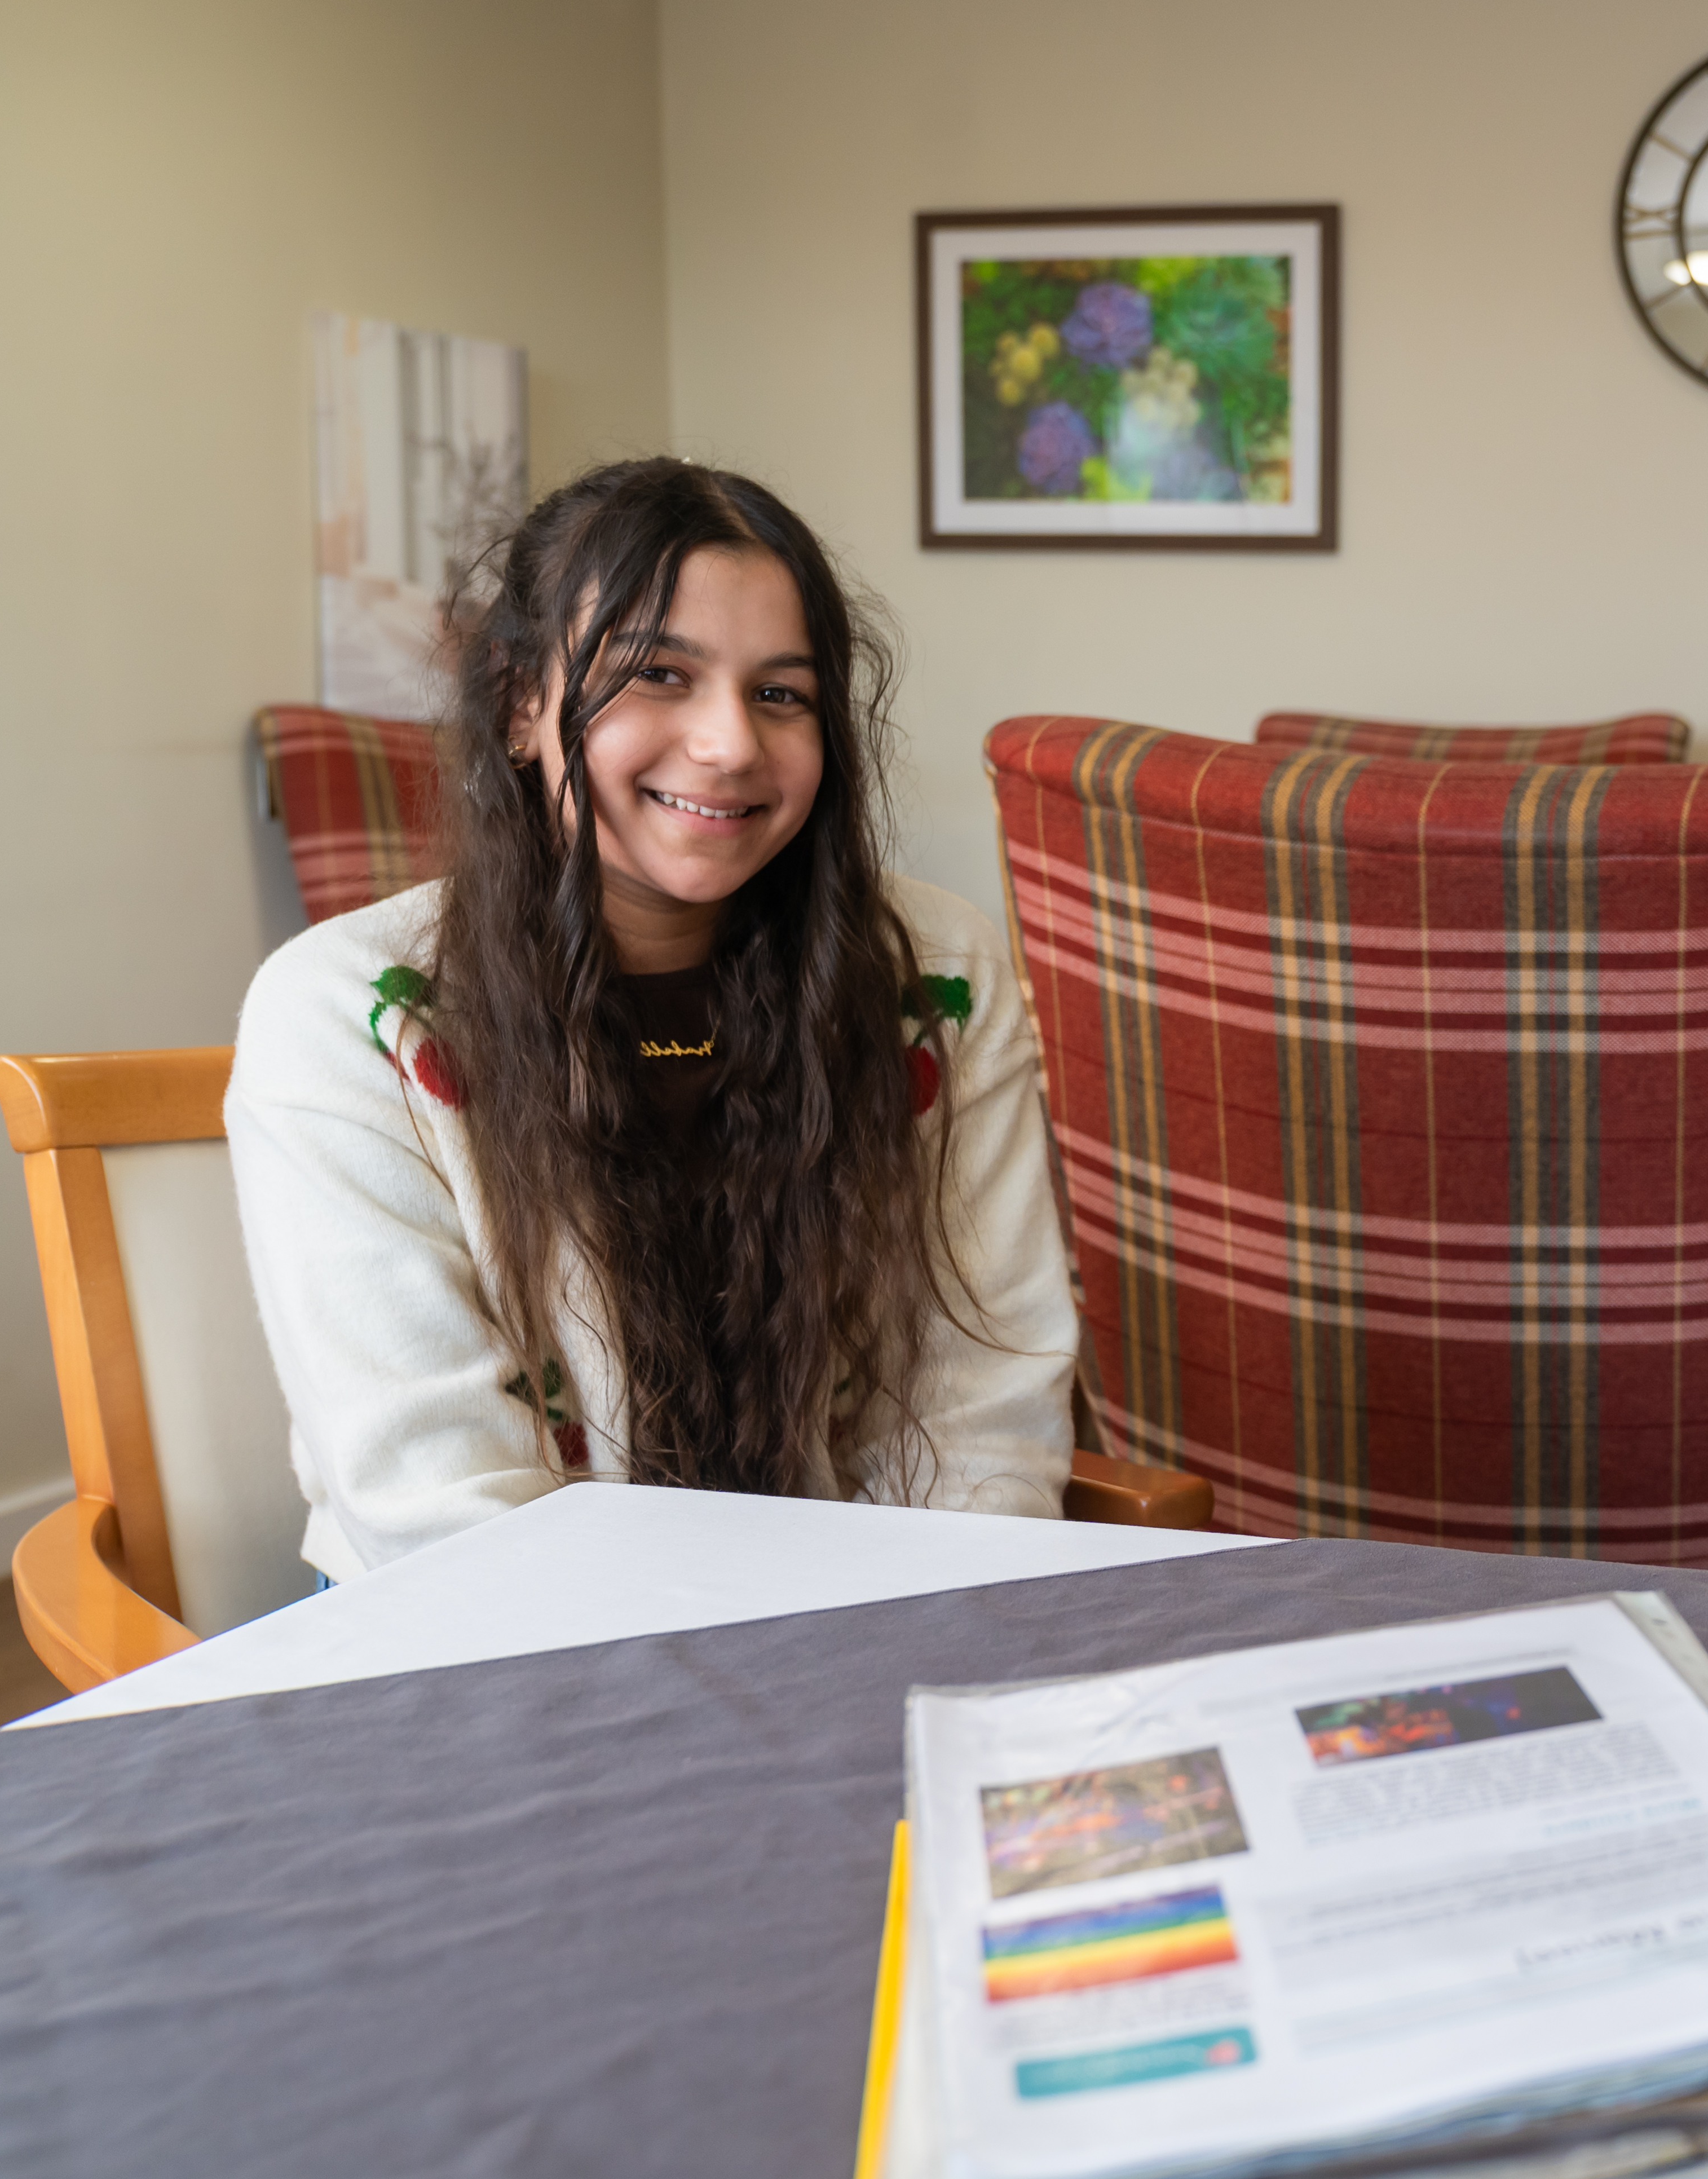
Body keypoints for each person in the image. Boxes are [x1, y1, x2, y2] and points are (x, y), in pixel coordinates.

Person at [230, 458, 1082, 1578]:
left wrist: (909, 1649)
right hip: (497, 1654)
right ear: (519, 704)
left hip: (862, 1632)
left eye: (782, 692)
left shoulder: (939, 981)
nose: (732, 742)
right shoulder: (347, 1015)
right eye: (659, 674)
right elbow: (438, 1506)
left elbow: (989, 1413)